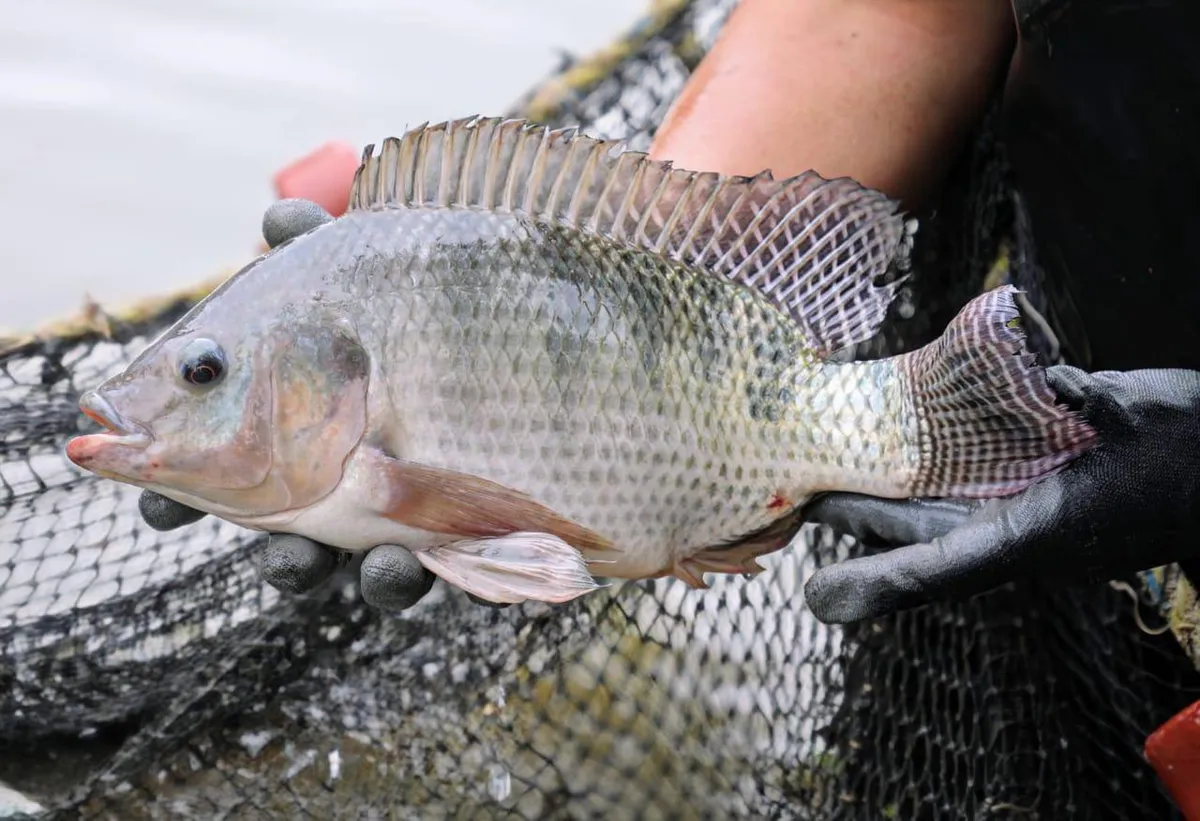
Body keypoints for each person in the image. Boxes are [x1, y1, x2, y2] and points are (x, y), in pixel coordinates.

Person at [139, 0, 1200, 622]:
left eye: (205, 372)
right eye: (206, 371)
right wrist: (646, 236)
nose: (189, 388)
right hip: (1079, 412)